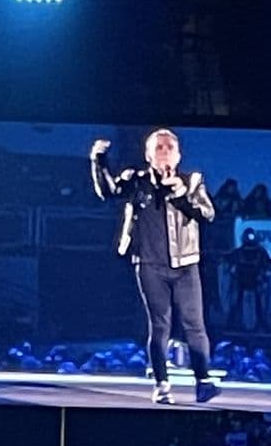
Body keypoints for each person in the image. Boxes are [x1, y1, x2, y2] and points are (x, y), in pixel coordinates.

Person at [90, 129, 220, 405]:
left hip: (186, 264)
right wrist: (98, 160)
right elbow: (109, 192)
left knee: (194, 324)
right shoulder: (136, 181)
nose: (165, 151)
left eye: (170, 147)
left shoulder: (192, 181)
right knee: (160, 325)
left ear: (179, 154)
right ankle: (162, 385)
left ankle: (203, 381)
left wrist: (181, 194)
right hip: (150, 263)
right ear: (149, 155)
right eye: (159, 147)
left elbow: (207, 214)